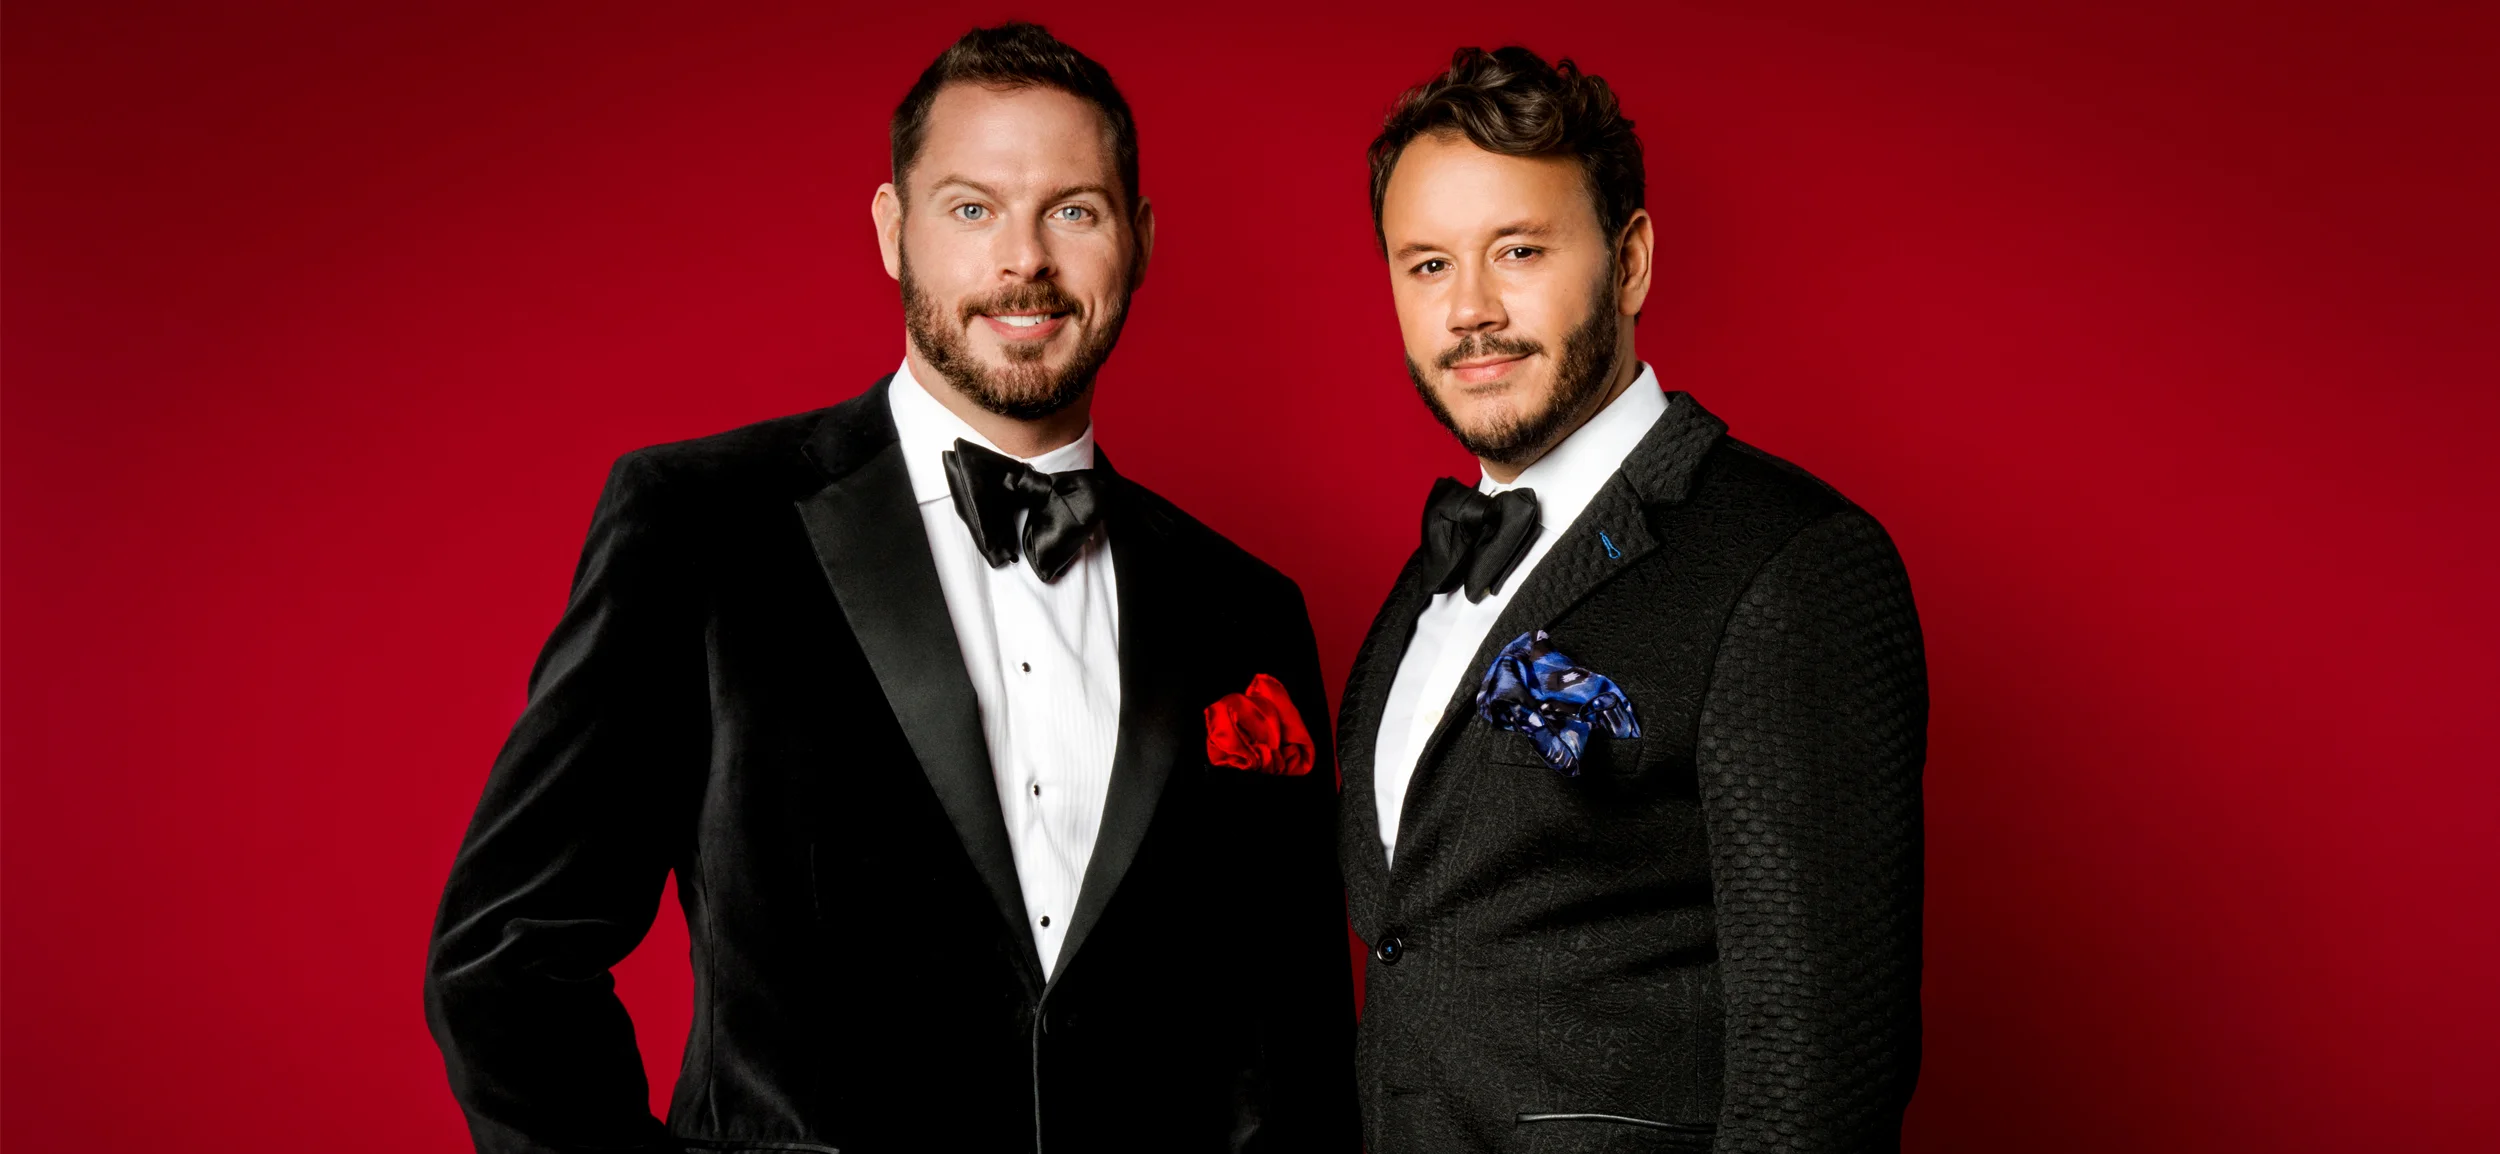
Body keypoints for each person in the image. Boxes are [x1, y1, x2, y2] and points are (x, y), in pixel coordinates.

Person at [425, 23, 1355, 1153]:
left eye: (1073, 210)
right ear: (891, 229)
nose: (1024, 260)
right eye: (972, 209)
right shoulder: (701, 524)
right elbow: (506, 956)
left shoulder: (1246, 607)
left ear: (1140, 240)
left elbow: (1297, 1046)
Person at [1338, 46, 1927, 1152]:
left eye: (1518, 251)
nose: (1469, 309)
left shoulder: (1788, 561)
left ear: (1631, 260)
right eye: (1427, 265)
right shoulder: (1423, 586)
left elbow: (1822, 1072)